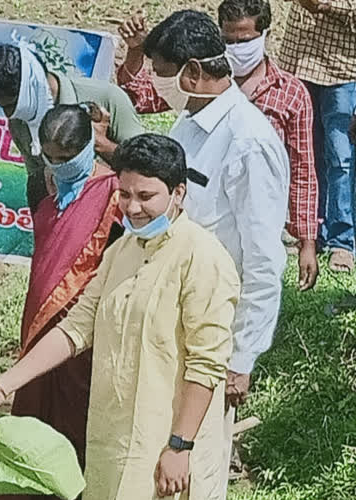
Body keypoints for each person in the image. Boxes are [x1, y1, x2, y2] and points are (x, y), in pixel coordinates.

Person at [0, 133, 241, 500]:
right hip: (113, 438)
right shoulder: (122, 252)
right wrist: (2, 385)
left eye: (146, 197)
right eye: (125, 195)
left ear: (178, 193)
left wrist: (180, 445)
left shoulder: (203, 258)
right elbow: (75, 328)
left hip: (167, 445)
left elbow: (206, 365)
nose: (133, 207)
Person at [137, 10, 290, 500]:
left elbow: (265, 260)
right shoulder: (189, 122)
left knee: (196, 470)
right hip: (169, 314)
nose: (157, 83)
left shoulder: (249, 141)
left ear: (193, 72)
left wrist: (242, 358)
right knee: (158, 457)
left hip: (212, 332)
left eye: (161, 70)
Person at [118, 1, 319, 290]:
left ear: (265, 34)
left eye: (245, 40)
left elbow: (303, 170)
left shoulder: (290, 94)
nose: (237, 47)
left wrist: (307, 240)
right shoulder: (193, 86)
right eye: (229, 40)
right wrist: (136, 51)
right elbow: (139, 98)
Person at [0, 103, 123, 500]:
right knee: (30, 425)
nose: (59, 165)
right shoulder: (47, 193)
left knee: (72, 432)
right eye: (51, 157)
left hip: (84, 340)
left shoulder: (114, 197)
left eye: (67, 158)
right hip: (38, 335)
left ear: (89, 148)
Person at [0, 42, 144, 213]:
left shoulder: (107, 98)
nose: (8, 115)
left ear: (33, 87)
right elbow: (37, 180)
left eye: (12, 105)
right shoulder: (20, 121)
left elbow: (147, 169)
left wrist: (99, 142)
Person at [278, 0, 356, 272]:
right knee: (304, 155)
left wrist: (324, 6)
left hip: (342, 69)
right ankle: (309, 234)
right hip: (298, 63)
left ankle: (342, 242)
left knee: (340, 158)